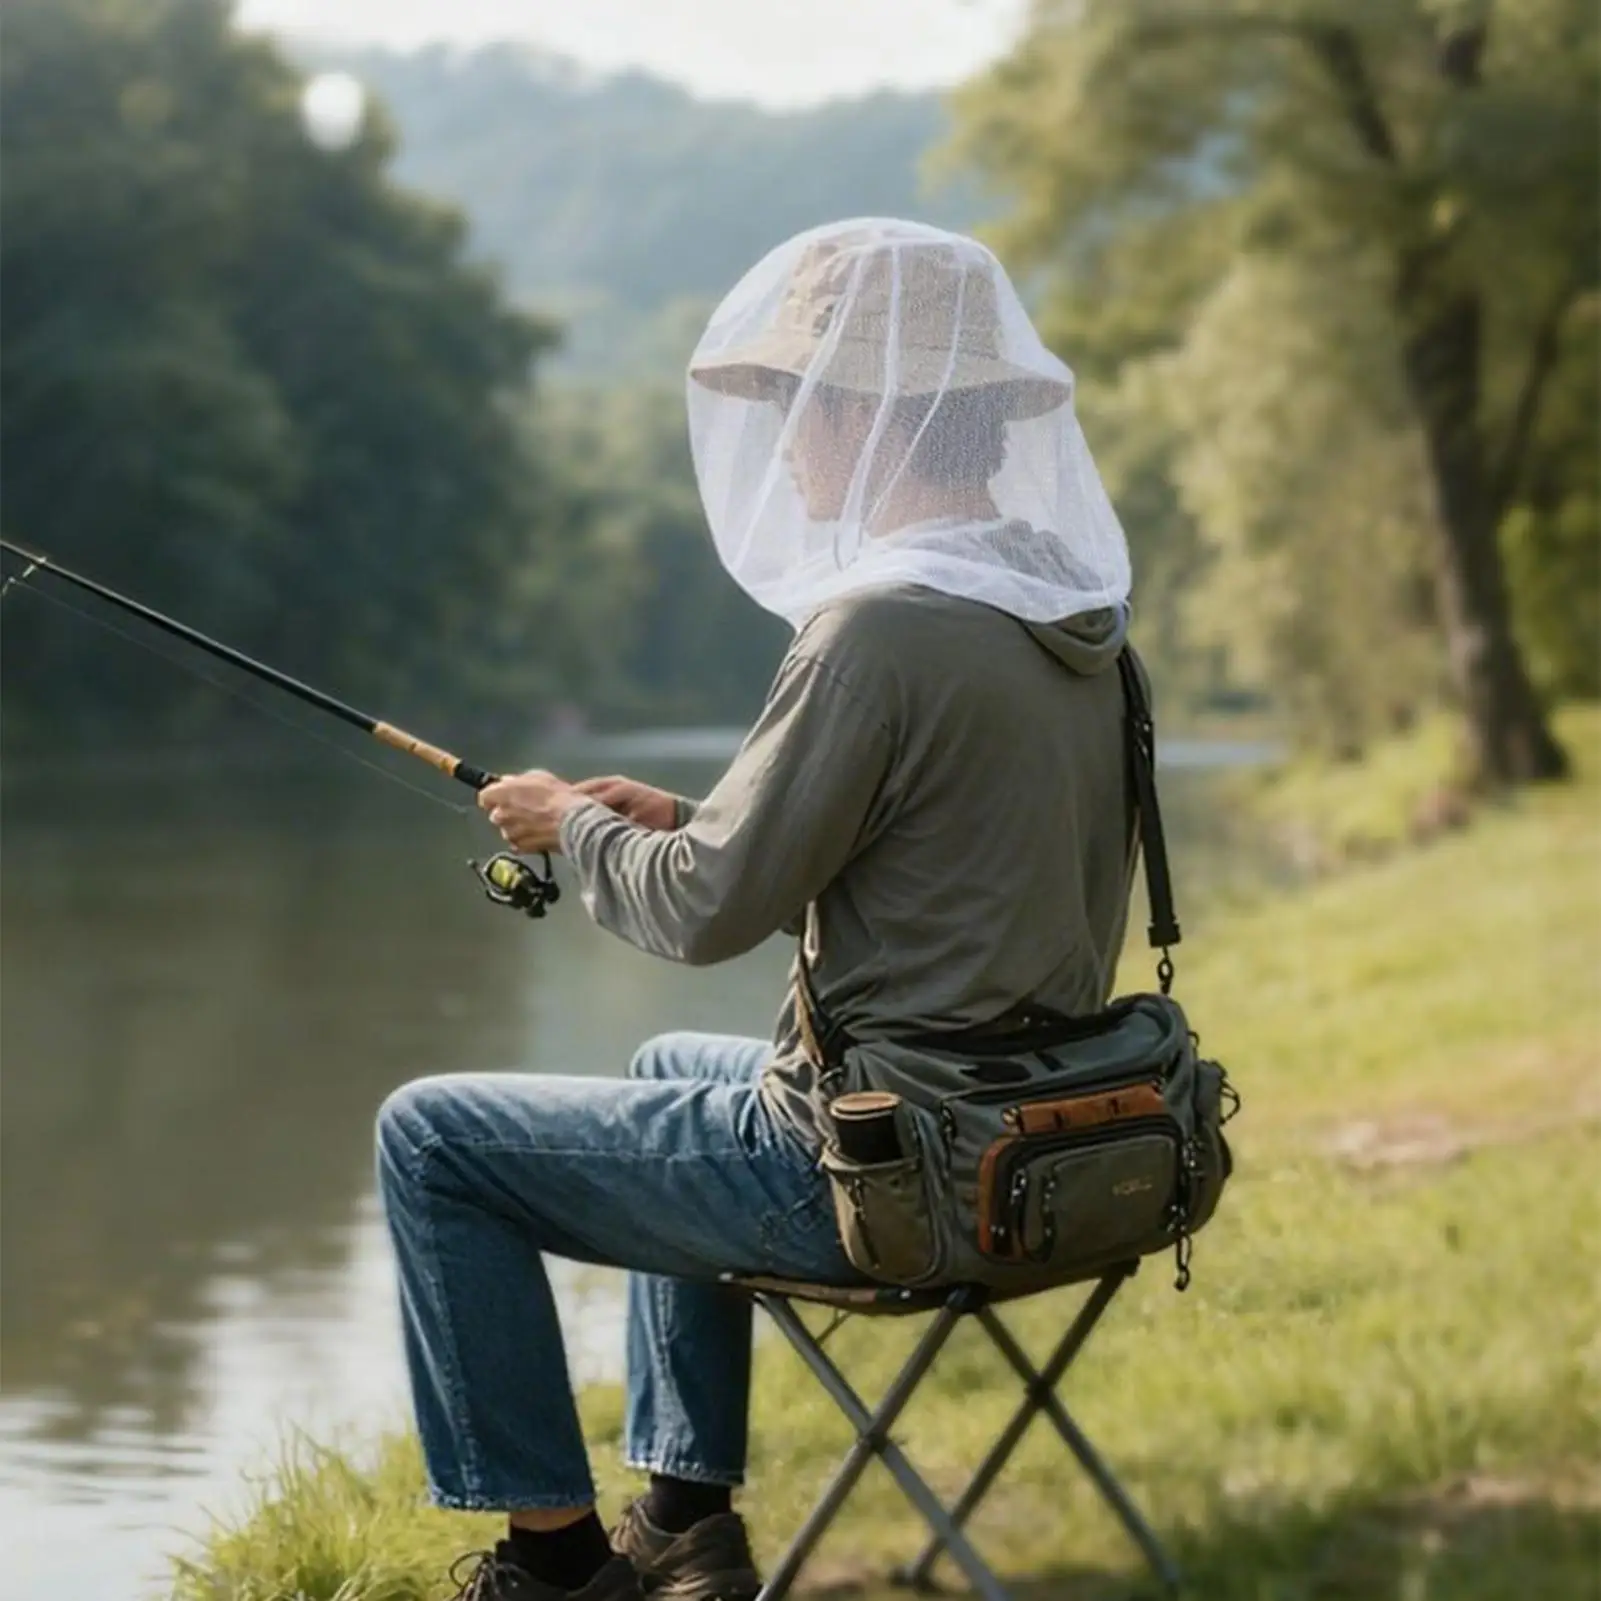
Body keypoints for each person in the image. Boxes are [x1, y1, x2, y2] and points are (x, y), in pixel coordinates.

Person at [377, 217, 1140, 1601]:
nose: (786, 447)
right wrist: (678, 818)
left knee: (429, 1136)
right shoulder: (1066, 618)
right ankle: (682, 1525)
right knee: (671, 1070)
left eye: (799, 407)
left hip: (905, 1175)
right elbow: (925, 848)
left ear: (868, 412)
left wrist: (574, 825)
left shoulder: (877, 631)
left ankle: (552, 1571)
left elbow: (704, 918)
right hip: (1049, 1140)